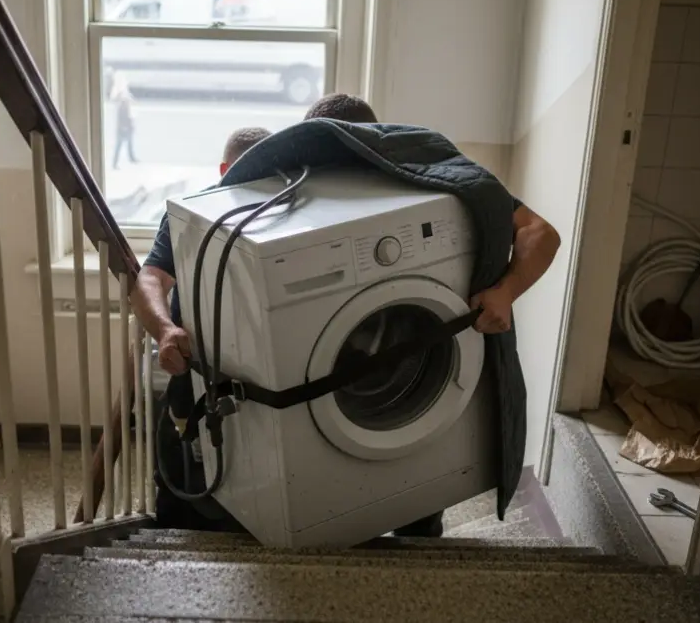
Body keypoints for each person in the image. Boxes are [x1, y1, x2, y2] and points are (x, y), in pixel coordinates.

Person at [130, 94, 559, 536]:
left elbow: (539, 232)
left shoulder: (426, 187)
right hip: (379, 387)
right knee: (212, 499)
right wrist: (165, 330)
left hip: (384, 382)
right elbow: (150, 277)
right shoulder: (215, 211)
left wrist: (504, 294)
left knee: (388, 489)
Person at [76, 124, 272, 524]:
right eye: (244, 175)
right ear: (224, 171)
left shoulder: (288, 214)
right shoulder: (191, 215)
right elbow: (149, 280)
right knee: (182, 481)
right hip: (196, 376)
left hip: (265, 379)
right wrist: (166, 331)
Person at [111, 71, 138, 169]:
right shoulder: (122, 101)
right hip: (124, 125)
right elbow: (123, 115)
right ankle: (115, 163)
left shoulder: (124, 99)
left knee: (128, 141)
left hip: (126, 123)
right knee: (120, 143)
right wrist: (125, 125)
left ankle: (131, 157)